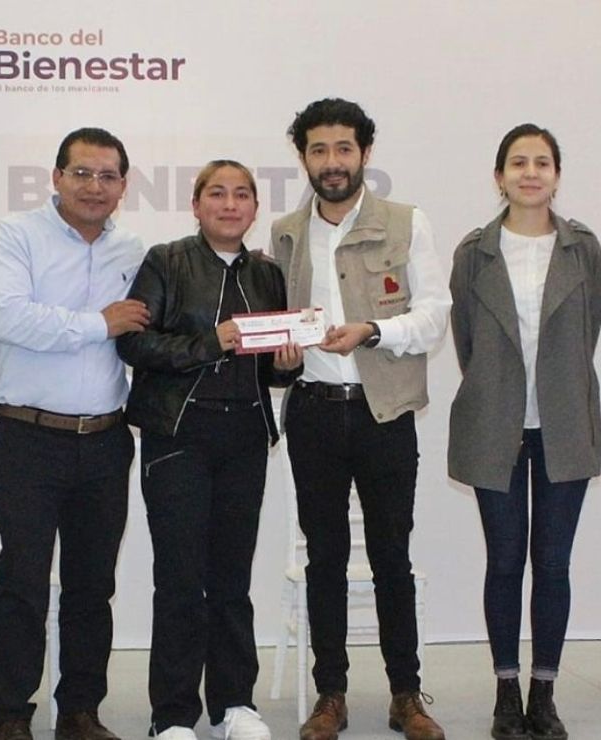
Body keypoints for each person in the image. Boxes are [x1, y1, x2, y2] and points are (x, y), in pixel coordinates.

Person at [271, 98, 450, 740]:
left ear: (365, 153)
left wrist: (373, 330)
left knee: (391, 556)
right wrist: (283, 358)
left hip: (383, 414)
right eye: (318, 150)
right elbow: (279, 329)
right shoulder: (285, 233)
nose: (332, 162)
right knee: (324, 559)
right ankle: (331, 695)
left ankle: (406, 695)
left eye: (343, 148)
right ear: (303, 158)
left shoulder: (406, 222)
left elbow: (434, 315)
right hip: (313, 414)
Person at [116, 161, 302, 740]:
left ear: (255, 209)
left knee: (231, 579)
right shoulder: (166, 261)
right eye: (217, 194)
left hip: (244, 438)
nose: (230, 204)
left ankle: (234, 705)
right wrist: (210, 342)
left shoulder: (267, 273)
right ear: (196, 206)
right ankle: (172, 715)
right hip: (179, 437)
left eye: (242, 195)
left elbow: (271, 368)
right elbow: (133, 345)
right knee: (179, 579)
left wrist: (287, 366)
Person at [0, 127, 147, 740]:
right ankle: (11, 713)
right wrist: (98, 324)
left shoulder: (133, 250)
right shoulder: (16, 235)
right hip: (31, 436)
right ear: (56, 178)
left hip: (105, 439)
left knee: (91, 587)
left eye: (107, 176)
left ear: (123, 186)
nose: (93, 187)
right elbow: (9, 317)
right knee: (23, 582)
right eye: (81, 173)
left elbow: (153, 328)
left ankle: (80, 710)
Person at [448, 124, 601, 740]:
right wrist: (500, 391)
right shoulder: (474, 252)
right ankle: (506, 692)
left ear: (557, 175)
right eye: (518, 162)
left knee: (554, 564)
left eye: (542, 162)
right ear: (499, 176)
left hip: (566, 423)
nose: (530, 173)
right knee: (505, 561)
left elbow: (589, 333)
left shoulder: (584, 249)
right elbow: (466, 341)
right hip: (495, 423)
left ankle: (545, 692)